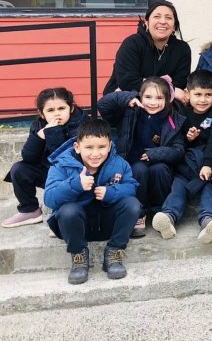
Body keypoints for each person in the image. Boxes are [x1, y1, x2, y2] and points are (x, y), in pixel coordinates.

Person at [44, 118, 141, 284]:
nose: (95, 154)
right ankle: (79, 255)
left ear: (109, 146)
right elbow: (50, 198)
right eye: (89, 147)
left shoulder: (119, 164)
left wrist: (111, 192)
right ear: (77, 147)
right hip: (77, 228)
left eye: (102, 147)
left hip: (108, 224)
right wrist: (75, 184)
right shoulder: (61, 165)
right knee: (68, 210)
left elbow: (131, 187)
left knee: (133, 205)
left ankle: (114, 252)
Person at [97, 76, 186, 238]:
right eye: (148, 97)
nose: (153, 102)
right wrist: (126, 98)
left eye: (159, 98)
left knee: (160, 170)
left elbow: (179, 151)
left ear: (167, 100)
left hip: (158, 163)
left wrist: (155, 154)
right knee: (138, 169)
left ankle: (161, 212)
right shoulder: (130, 112)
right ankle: (139, 213)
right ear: (140, 96)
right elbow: (102, 104)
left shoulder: (173, 119)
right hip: (132, 161)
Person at [151, 70, 212, 244]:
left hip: (208, 164)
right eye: (198, 94)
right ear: (187, 93)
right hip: (187, 164)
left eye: (208, 95)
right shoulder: (182, 115)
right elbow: (177, 141)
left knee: (208, 186)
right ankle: (168, 217)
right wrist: (188, 138)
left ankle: (207, 220)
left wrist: (207, 164)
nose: (203, 99)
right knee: (178, 186)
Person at [3, 88, 88, 228]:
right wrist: (39, 137)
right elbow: (28, 158)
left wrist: (54, 132)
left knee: (67, 180)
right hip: (48, 171)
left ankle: (63, 214)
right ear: (41, 113)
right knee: (19, 169)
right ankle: (30, 210)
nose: (57, 114)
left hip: (75, 174)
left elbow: (66, 160)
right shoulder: (38, 126)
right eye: (50, 110)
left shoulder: (81, 124)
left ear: (71, 108)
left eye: (61, 108)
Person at [104, 1, 192, 104]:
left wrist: (146, 83)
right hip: (127, 100)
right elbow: (127, 81)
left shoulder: (182, 49)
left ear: (174, 26)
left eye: (168, 18)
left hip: (165, 103)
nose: (163, 21)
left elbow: (179, 83)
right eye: (157, 16)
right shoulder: (132, 44)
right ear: (147, 23)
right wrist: (169, 88)